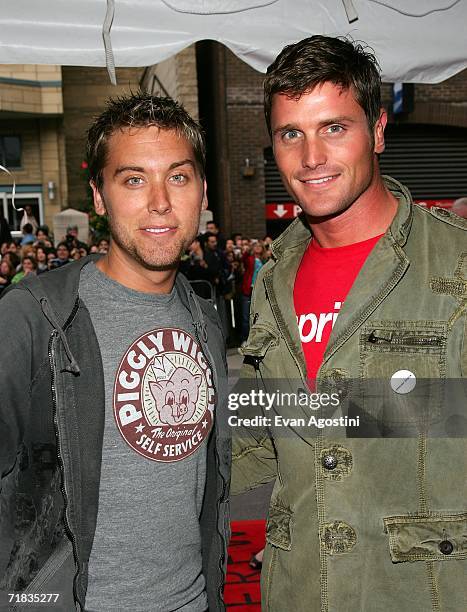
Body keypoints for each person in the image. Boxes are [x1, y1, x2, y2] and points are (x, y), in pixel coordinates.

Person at [231, 36, 467, 611]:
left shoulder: (456, 269)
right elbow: (260, 439)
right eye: (292, 133)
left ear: (379, 131)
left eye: (334, 127)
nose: (311, 156)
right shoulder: (273, 277)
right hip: (296, 591)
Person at [0, 92, 230, 612]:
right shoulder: (34, 318)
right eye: (133, 179)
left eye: (178, 176)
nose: (159, 202)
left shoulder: (206, 321)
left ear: (202, 191)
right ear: (99, 198)